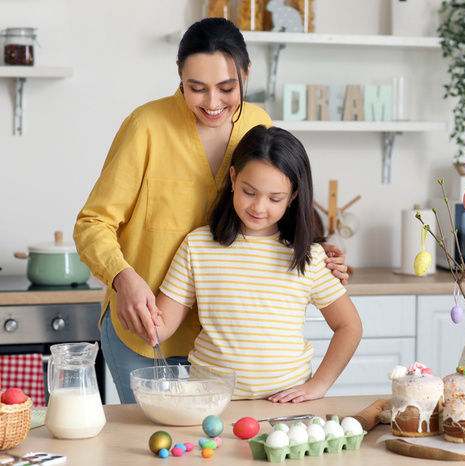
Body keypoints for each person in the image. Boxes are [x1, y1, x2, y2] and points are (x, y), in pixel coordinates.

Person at [73, 17, 348, 405]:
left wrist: (316, 253)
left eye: (227, 88)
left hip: (226, 341)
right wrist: (122, 278)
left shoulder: (257, 124)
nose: (213, 103)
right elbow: (92, 223)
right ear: (179, 76)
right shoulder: (145, 126)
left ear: (247, 74)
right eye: (196, 89)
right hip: (150, 328)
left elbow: (274, 205)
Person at [153, 125, 363, 402]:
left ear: (294, 196)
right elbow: (160, 327)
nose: (258, 207)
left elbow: (350, 326)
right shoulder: (198, 246)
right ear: (233, 178)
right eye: (249, 192)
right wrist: (128, 290)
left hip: (285, 404)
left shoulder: (309, 258)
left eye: (275, 198)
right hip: (210, 400)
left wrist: (320, 384)